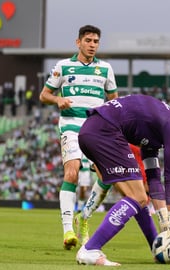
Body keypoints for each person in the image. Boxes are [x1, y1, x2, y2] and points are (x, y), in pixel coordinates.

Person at [75, 94, 170, 266]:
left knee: (138, 196)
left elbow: (153, 176)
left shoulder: (158, 126)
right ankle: (90, 249)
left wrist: (164, 219)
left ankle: (155, 247)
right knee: (138, 197)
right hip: (105, 132)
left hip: (90, 131)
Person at [39, 24, 118, 250]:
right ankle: (67, 231)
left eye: (96, 42)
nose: (92, 45)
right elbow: (44, 95)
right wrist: (57, 100)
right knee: (71, 172)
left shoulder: (105, 69)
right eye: (88, 41)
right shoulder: (63, 66)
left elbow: (114, 101)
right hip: (71, 126)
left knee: (106, 176)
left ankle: (83, 217)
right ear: (78, 42)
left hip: (96, 129)